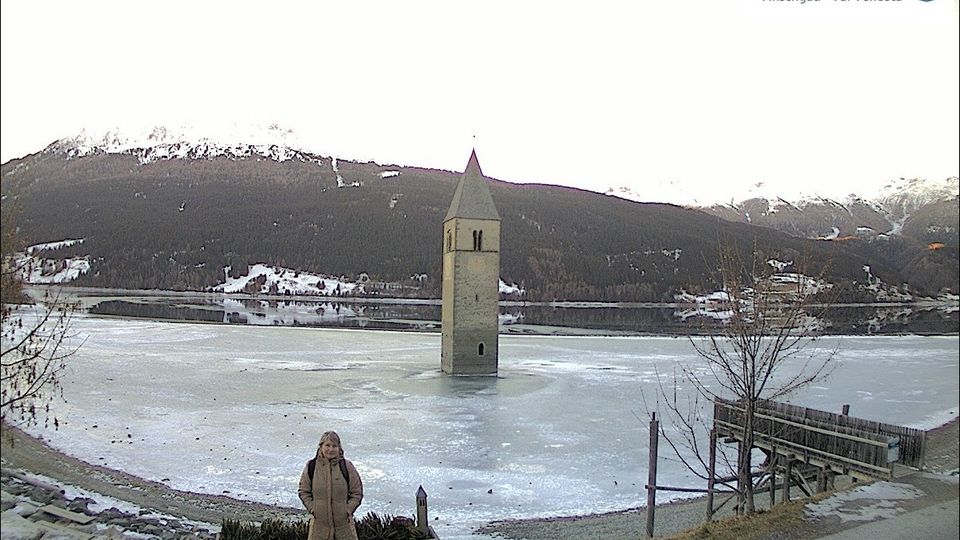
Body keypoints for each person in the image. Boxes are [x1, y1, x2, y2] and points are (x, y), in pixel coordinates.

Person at [298, 431, 364, 540]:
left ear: (339, 448)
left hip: (344, 528)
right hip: (319, 528)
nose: (331, 449)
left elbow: (357, 493)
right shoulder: (312, 466)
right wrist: (313, 508)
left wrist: (348, 510)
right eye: (327, 445)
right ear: (321, 447)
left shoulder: (347, 466)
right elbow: (303, 491)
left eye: (334, 446)